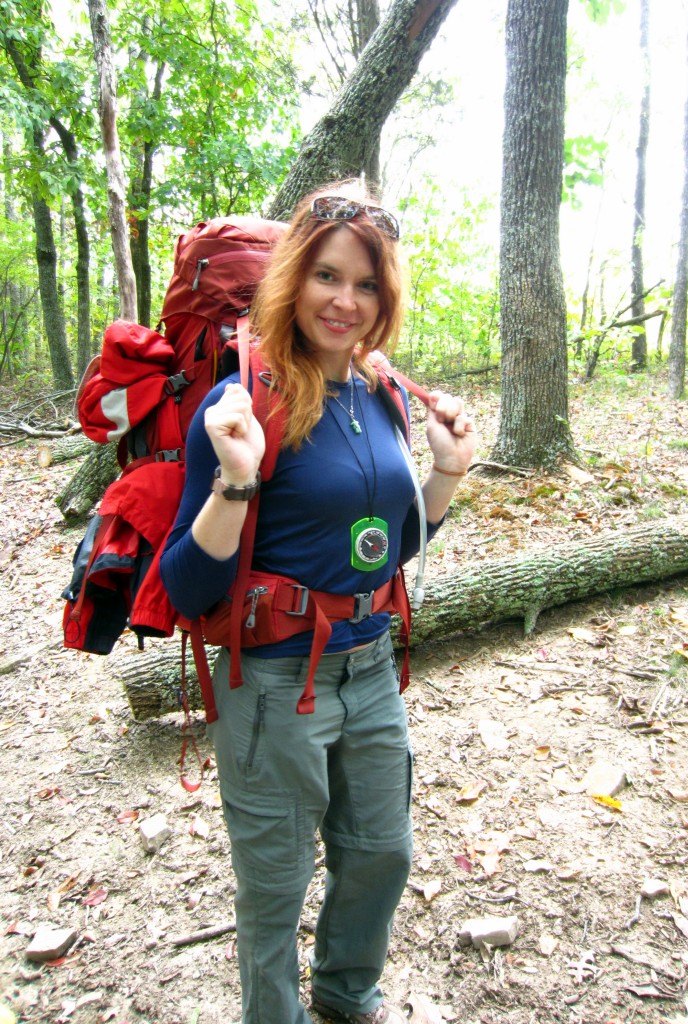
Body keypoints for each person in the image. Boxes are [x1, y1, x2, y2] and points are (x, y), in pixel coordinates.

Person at [160, 181, 476, 1024]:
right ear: (293, 278)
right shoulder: (236, 405)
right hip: (271, 684)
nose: (346, 300)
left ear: (386, 296)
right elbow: (188, 589)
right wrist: (235, 481)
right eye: (328, 277)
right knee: (275, 884)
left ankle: (346, 993)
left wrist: (444, 473)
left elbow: (383, 552)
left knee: (381, 853)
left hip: (370, 667)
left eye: (366, 284)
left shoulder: (381, 395)